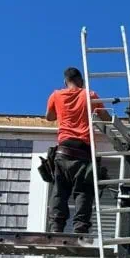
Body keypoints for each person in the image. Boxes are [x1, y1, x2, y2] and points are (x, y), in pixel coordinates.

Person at [45, 67, 110, 233]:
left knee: (59, 190)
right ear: (81, 80)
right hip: (83, 151)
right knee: (83, 190)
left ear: (65, 81)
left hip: (63, 150)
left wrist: (63, 110)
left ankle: (56, 226)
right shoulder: (90, 95)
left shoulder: (56, 95)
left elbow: (49, 117)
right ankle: (80, 227)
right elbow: (105, 118)